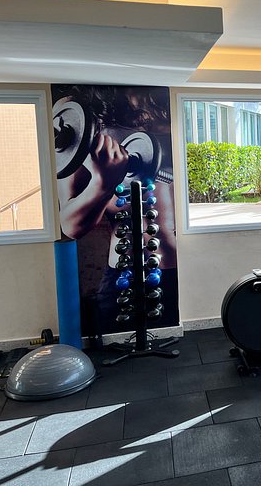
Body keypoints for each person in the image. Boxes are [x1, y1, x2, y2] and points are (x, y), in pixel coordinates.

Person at [54, 86, 178, 338]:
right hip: (124, 272)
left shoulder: (171, 105)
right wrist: (102, 184)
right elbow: (70, 226)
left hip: (177, 271)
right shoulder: (83, 113)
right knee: (117, 348)